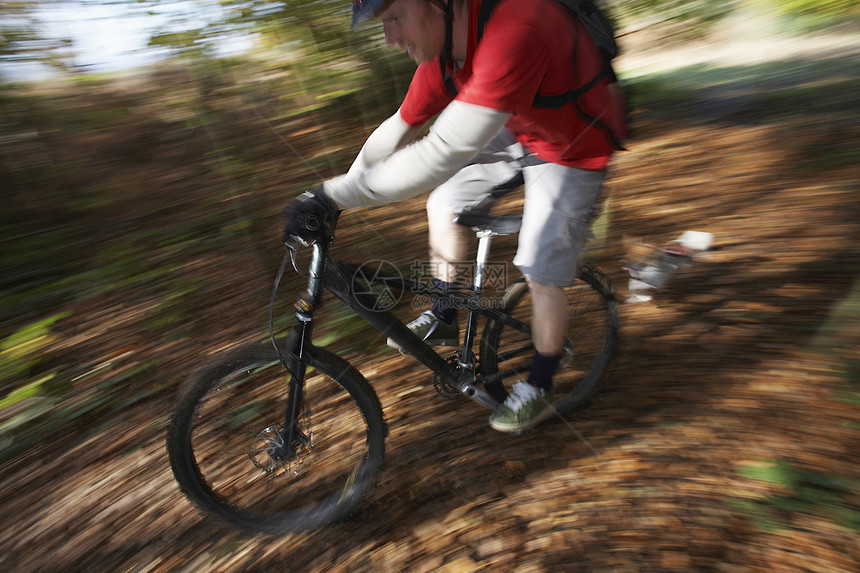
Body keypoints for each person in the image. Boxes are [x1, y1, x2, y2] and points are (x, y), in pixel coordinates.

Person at [284, 0, 622, 432]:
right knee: (442, 203)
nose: (389, 38)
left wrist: (332, 195)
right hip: (524, 126)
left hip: (577, 145)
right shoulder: (447, 54)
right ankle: (444, 314)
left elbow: (442, 153)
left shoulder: (517, 26)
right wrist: (332, 195)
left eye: (393, 18)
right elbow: (397, 128)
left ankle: (539, 386)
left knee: (539, 268)